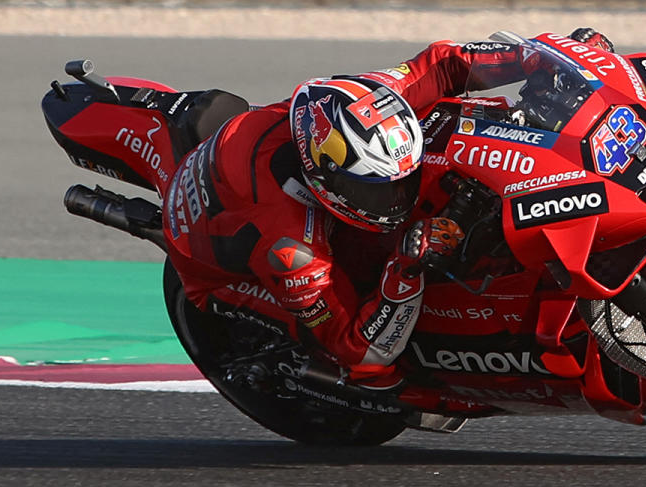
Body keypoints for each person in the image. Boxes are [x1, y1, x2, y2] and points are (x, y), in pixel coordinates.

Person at [164, 29, 615, 390]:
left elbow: (444, 63)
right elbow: (360, 351)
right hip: (220, 271)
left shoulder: (367, 100)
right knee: (378, 374)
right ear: (324, 181)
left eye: (403, 183)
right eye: (381, 193)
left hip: (253, 164)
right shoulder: (288, 245)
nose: (398, 202)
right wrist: (405, 268)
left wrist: (539, 59)